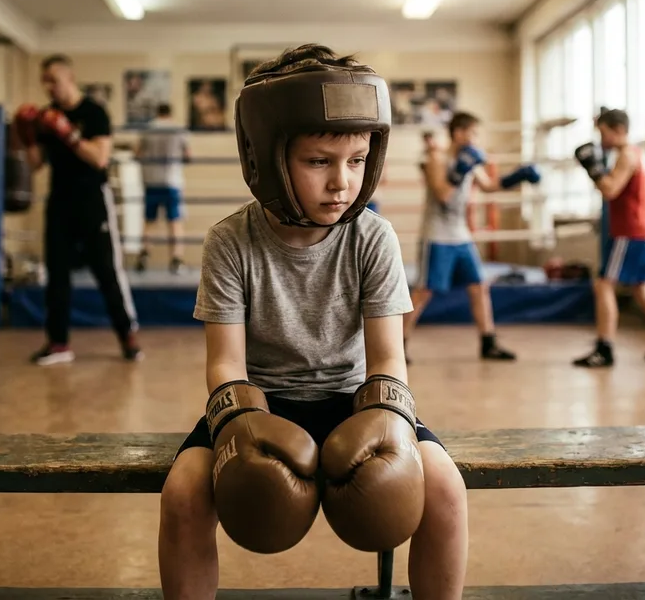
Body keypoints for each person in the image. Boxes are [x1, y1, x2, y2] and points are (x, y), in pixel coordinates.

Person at [157, 45, 468, 600]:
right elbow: (225, 363)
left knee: (445, 486)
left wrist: (385, 417)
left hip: (354, 399)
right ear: (266, 159)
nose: (342, 182)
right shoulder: (230, 241)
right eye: (319, 161)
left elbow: (388, 357)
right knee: (183, 492)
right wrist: (241, 422)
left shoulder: (373, 237)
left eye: (357, 160)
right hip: (261, 402)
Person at [14, 54, 141, 366]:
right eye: (45, 81)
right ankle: (58, 343)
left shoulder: (93, 112)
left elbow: (99, 158)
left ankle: (128, 336)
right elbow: (36, 164)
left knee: (106, 271)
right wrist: (26, 136)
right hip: (59, 200)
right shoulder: (47, 117)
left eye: (53, 80)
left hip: (92, 200)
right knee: (56, 273)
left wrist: (68, 133)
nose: (49, 87)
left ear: (69, 78)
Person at [402, 111, 540, 363]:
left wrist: (518, 176)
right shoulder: (437, 158)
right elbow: (443, 195)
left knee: (479, 287)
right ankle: (398, 344)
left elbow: (489, 186)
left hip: (461, 235)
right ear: (458, 133)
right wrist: (460, 170)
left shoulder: (471, 159)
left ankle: (488, 343)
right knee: (424, 291)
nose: (476, 138)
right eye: (473, 133)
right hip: (437, 236)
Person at [572, 107, 645, 367]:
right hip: (641, 230)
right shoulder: (632, 154)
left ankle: (604, 349)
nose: (601, 140)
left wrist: (592, 168)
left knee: (603, 285)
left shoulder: (626, 155)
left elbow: (610, 190)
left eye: (604, 133)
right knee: (642, 288)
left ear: (619, 130)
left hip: (630, 231)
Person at [136, 103, 190, 274]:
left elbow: (137, 153)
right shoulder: (178, 130)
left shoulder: (147, 129)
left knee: (149, 221)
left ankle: (143, 256)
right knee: (175, 221)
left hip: (151, 180)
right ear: (170, 113)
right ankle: (176, 260)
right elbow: (188, 155)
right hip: (172, 181)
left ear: (157, 112)